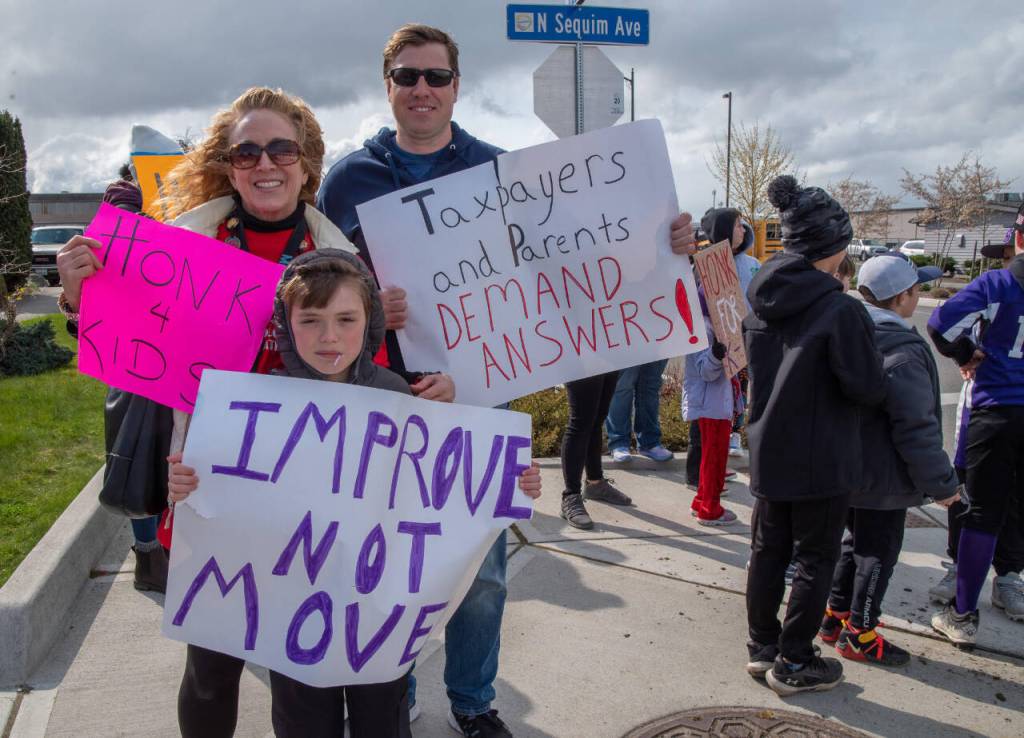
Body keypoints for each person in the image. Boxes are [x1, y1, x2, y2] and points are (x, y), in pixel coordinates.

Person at [317, 22, 700, 732]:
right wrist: (371, 305)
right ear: (388, 87)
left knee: (483, 574)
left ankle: (473, 701)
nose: (422, 89)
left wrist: (665, 243)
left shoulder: (503, 173)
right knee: (383, 568)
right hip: (380, 405)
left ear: (457, 86)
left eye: (436, 76)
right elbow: (313, 293)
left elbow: (573, 264)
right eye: (408, 76)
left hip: (478, 401)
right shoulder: (348, 180)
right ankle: (389, 697)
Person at [57, 85, 355, 737]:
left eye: (281, 148)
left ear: (307, 162)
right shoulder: (179, 249)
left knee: (302, 675)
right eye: (246, 151)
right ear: (228, 165)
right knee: (211, 671)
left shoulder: (348, 261)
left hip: (309, 499)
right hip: (208, 488)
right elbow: (122, 346)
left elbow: (375, 379)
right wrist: (79, 296)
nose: (265, 163)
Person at [166, 249, 543, 737]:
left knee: (382, 718)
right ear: (285, 325)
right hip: (293, 613)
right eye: (311, 320)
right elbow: (222, 499)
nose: (329, 337)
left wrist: (509, 482)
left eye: (346, 319)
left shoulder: (398, 395)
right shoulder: (256, 399)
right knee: (305, 721)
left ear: (370, 323)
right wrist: (184, 486)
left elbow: (440, 488)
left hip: (376, 613)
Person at [743, 175, 885, 696]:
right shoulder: (840, 309)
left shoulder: (760, 301)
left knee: (767, 551)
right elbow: (867, 386)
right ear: (836, 246)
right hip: (822, 456)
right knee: (814, 559)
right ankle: (795, 661)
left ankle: (762, 648)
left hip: (769, 446)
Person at [819, 254, 959, 667]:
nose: (919, 297)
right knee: (877, 553)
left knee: (852, 544)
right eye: (917, 290)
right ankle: (860, 633)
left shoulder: (851, 333)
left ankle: (833, 617)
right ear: (902, 297)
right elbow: (916, 428)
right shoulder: (903, 350)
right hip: (884, 478)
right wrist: (943, 484)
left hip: (848, 470)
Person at [926, 205, 1024, 647]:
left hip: (997, 406)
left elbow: (940, 323)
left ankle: (963, 613)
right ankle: (1005, 580)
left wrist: (965, 353)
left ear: (1017, 239)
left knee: (980, 508)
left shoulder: (998, 283)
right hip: (1000, 408)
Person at [685, 208, 754, 488]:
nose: (744, 229)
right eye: (738, 225)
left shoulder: (748, 262)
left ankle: (715, 467)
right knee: (706, 417)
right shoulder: (707, 264)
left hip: (739, 346)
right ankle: (697, 475)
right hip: (714, 348)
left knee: (729, 412)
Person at [681, 321, 739, 526]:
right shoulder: (704, 328)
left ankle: (701, 500)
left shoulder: (714, 325)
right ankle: (710, 509)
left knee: (711, 456)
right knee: (714, 459)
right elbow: (704, 371)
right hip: (711, 405)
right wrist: (716, 355)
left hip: (715, 403)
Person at [606, 359, 673, 464]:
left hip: (656, 344)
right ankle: (619, 443)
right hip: (624, 343)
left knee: (650, 384)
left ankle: (649, 443)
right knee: (623, 383)